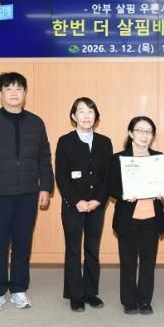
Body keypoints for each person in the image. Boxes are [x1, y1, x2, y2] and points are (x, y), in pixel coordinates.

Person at [0, 72, 54, 312]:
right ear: (0, 93)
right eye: (8, 89)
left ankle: (18, 289)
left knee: (22, 243)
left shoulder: (36, 122)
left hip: (28, 193)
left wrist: (46, 187)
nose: (14, 93)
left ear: (25, 93)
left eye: (19, 88)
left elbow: (44, 158)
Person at [55, 97, 113, 312]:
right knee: (73, 250)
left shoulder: (104, 142)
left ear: (96, 116)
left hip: (96, 205)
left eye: (90, 111)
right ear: (74, 116)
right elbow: (61, 176)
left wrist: (98, 200)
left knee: (92, 249)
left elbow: (107, 176)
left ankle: (90, 292)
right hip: (73, 205)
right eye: (81, 111)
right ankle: (75, 294)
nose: (86, 116)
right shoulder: (65, 141)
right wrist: (77, 201)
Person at [109, 116, 164, 315]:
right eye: (140, 131)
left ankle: (145, 300)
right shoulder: (118, 158)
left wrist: (163, 192)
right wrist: (124, 194)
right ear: (131, 133)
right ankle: (129, 301)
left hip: (152, 218)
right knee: (128, 262)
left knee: (148, 263)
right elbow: (111, 187)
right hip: (128, 219)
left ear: (153, 135)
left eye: (148, 131)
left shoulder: (159, 158)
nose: (144, 135)